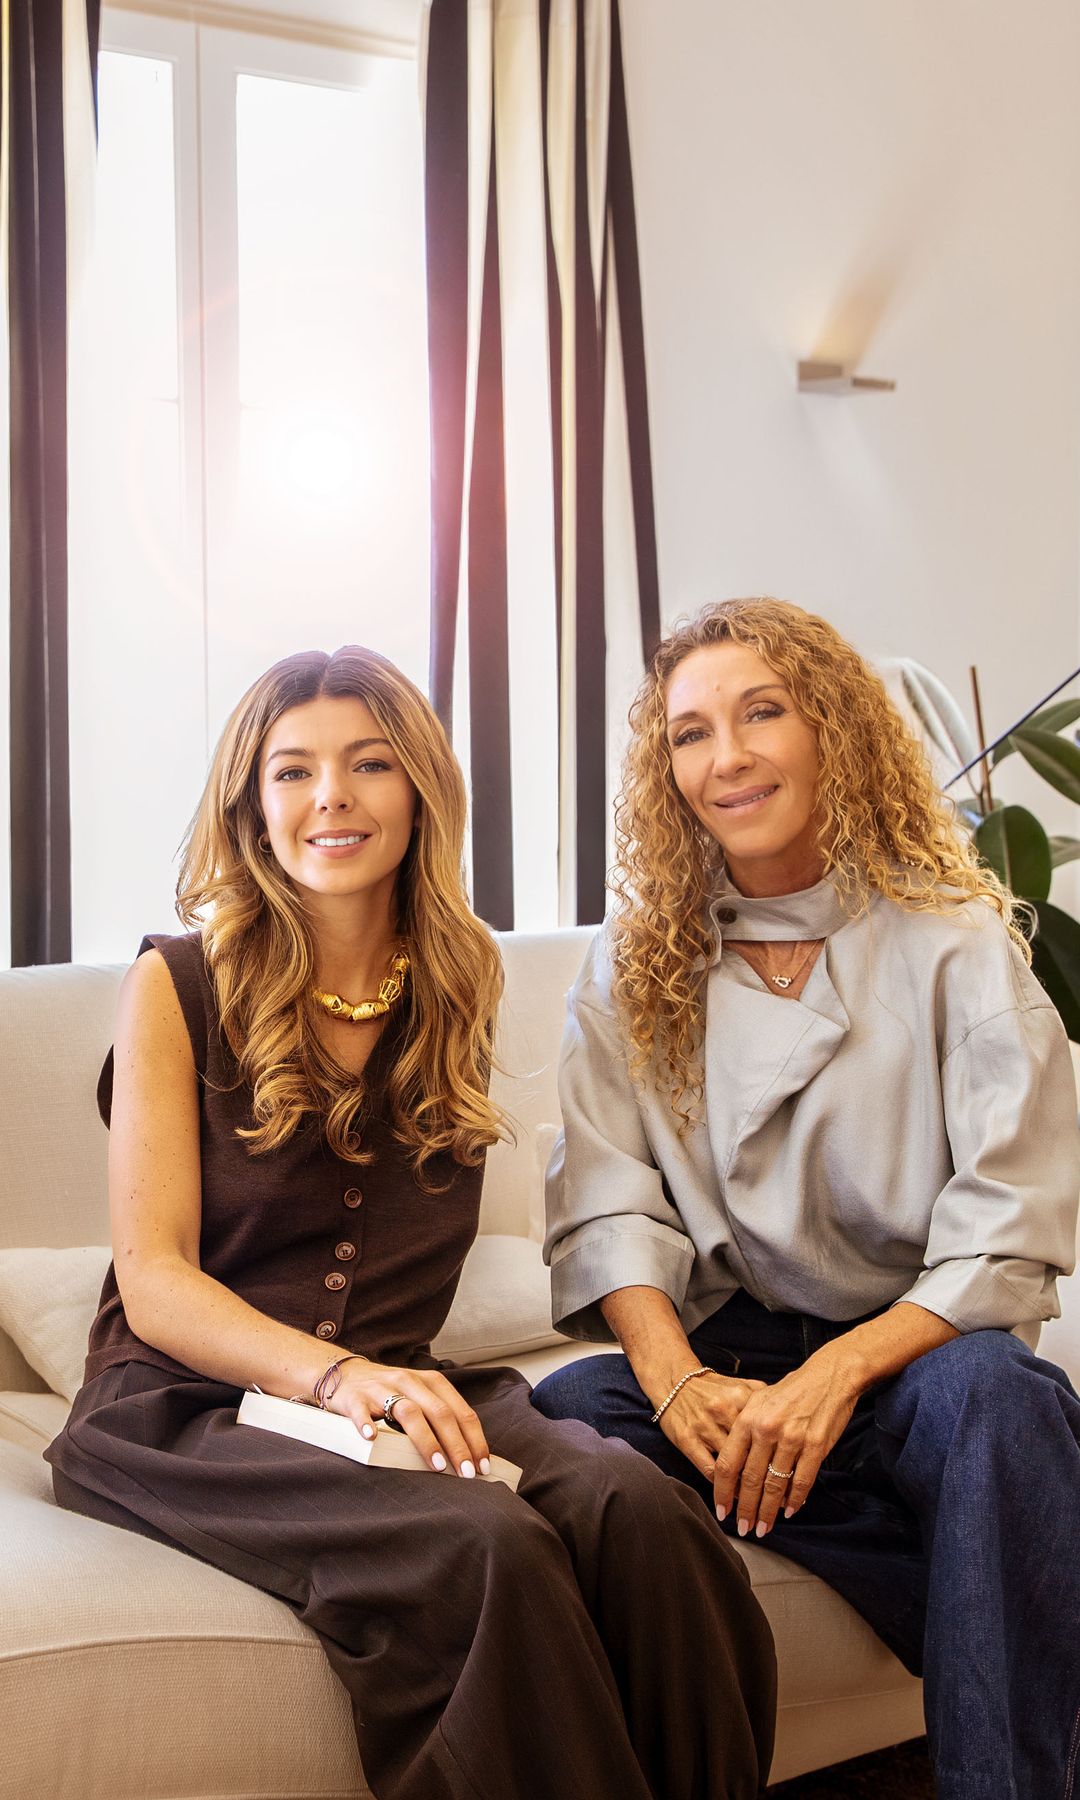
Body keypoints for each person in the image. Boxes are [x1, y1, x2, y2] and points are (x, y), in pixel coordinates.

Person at [46, 645, 776, 1800]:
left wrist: (377, 1383)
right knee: (487, 1547)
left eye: (369, 763)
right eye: (293, 771)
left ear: (419, 788)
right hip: (189, 1410)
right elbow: (156, 1279)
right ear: (252, 807)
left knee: (643, 1510)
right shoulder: (177, 984)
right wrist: (339, 1379)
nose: (330, 795)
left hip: (397, 1383)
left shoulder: (454, 980)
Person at [532, 599, 1080, 1800]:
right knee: (568, 1414)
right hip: (733, 1369)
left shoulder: (954, 941)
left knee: (1003, 1404)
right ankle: (998, 1556)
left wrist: (836, 1380)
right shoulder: (631, 963)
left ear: (834, 728)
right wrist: (680, 1386)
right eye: (690, 733)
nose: (725, 757)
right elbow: (612, 1203)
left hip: (917, 1364)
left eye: (761, 713)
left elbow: (1007, 1218)